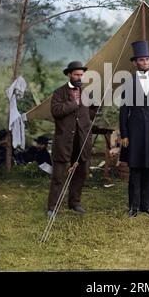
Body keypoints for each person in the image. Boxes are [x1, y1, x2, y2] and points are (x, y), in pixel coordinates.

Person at [119, 41, 149, 217]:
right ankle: (134, 206)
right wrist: (124, 133)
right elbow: (124, 111)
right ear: (135, 63)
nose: (145, 62)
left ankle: (148, 206)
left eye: (147, 59)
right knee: (136, 170)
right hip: (135, 132)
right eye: (141, 60)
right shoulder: (128, 83)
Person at [47, 61, 97, 217]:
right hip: (64, 141)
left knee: (81, 172)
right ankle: (53, 207)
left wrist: (96, 107)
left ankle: (74, 203)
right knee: (58, 175)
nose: (79, 77)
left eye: (81, 75)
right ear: (69, 74)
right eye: (76, 74)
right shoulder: (59, 92)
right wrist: (74, 103)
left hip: (81, 140)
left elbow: (90, 114)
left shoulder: (86, 93)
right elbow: (56, 111)